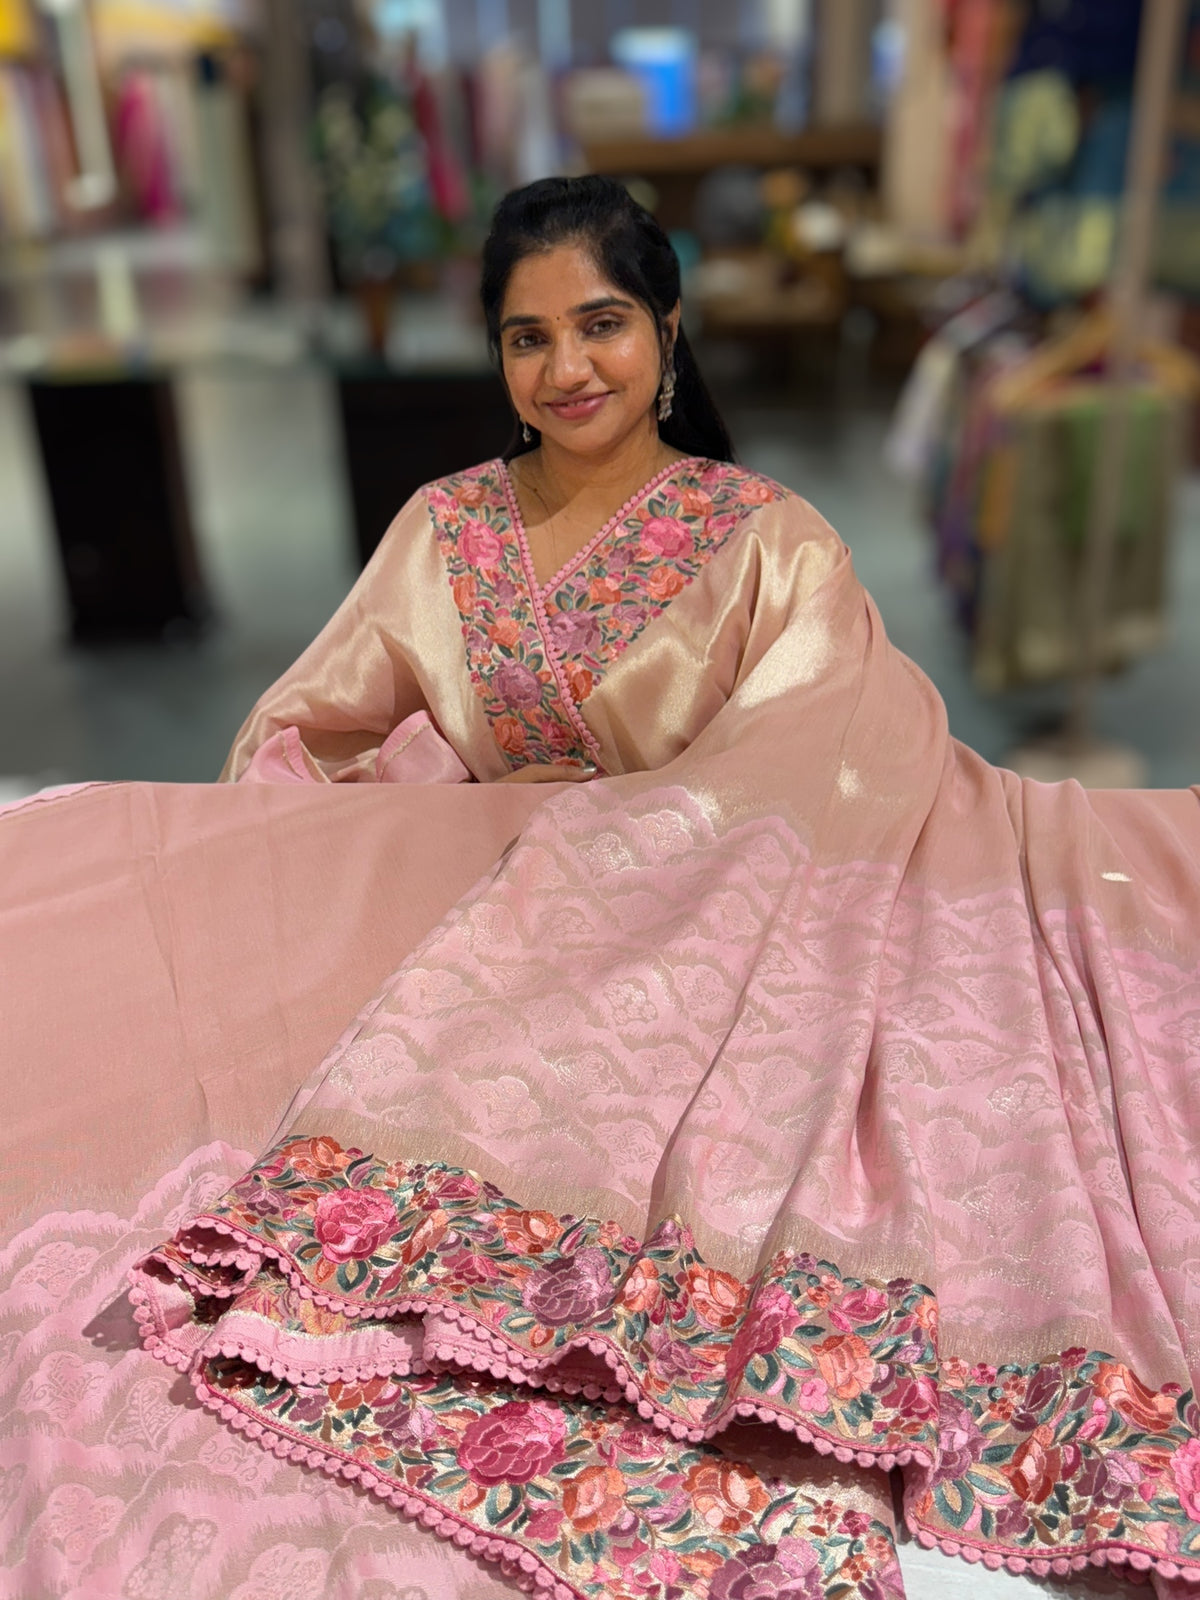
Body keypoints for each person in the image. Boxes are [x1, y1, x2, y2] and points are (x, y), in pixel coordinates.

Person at [3, 177, 1200, 1600]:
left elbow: (831, 762)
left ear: (668, 330)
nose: (567, 369)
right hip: (499, 914)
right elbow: (298, 736)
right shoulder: (445, 533)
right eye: (528, 338)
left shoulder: (770, 541)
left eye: (603, 324)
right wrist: (350, 844)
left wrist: (616, 853)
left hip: (723, 930)